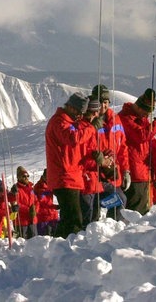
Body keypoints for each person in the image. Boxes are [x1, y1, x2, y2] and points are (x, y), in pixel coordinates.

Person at [45, 92, 97, 238]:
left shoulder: (67, 123)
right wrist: (91, 128)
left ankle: (58, 247)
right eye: (80, 113)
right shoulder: (59, 122)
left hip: (71, 176)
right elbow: (73, 138)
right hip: (64, 177)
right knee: (74, 219)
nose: (81, 116)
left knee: (69, 217)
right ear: (72, 108)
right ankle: (68, 249)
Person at [117, 88, 156, 215]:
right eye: (146, 112)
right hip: (134, 172)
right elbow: (142, 135)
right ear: (139, 107)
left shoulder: (140, 118)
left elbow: (149, 139)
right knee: (136, 212)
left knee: (144, 208)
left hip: (144, 171)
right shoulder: (125, 118)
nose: (147, 115)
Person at [89, 84, 129, 221]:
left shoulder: (115, 119)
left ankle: (113, 230)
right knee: (93, 212)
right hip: (94, 176)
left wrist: (126, 171)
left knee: (120, 201)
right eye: (99, 102)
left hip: (112, 175)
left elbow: (122, 147)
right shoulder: (89, 121)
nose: (102, 106)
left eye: (105, 102)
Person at [79, 98, 109, 227]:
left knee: (94, 214)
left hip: (95, 178)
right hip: (86, 178)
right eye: (94, 112)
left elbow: (99, 149)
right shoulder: (83, 128)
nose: (96, 114)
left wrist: (108, 155)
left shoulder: (93, 128)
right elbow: (83, 154)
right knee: (87, 215)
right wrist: (99, 160)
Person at [10, 166, 39, 239]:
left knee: (34, 242)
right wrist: (28, 210)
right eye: (24, 176)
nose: (26, 177)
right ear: (19, 177)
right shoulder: (15, 189)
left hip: (32, 220)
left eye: (27, 175)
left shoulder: (31, 188)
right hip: (21, 222)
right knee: (22, 243)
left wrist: (35, 210)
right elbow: (15, 203)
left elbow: (36, 201)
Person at [33, 169, 59, 236]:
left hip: (52, 215)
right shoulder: (39, 187)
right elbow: (42, 202)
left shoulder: (50, 185)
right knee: (45, 239)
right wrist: (54, 206)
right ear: (44, 176)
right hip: (43, 217)